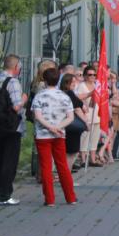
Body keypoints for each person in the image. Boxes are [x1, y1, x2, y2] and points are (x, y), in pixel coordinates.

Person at [0, 55, 28, 205]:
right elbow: (16, 106)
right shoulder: (13, 82)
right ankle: (5, 195)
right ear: (16, 68)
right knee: (9, 161)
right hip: (11, 127)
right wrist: (24, 100)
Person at [31, 68, 78, 206]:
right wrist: (58, 127)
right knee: (62, 165)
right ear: (58, 79)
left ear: (45, 80)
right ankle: (70, 197)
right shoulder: (64, 96)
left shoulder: (39, 96)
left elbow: (37, 116)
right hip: (59, 134)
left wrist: (50, 127)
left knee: (46, 167)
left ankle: (50, 199)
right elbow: (71, 117)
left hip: (42, 135)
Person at [60, 73, 87, 172]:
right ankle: (67, 174)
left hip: (65, 125)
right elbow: (76, 108)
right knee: (72, 153)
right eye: (73, 82)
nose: (75, 84)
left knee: (68, 152)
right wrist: (86, 123)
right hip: (72, 126)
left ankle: (65, 174)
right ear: (67, 82)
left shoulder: (62, 93)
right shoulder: (69, 93)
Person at [76, 65, 102, 167]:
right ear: (85, 76)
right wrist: (90, 94)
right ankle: (83, 159)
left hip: (96, 115)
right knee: (85, 138)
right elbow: (78, 97)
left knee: (95, 138)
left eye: (94, 75)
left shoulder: (97, 85)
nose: (92, 77)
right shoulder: (81, 86)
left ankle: (92, 158)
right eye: (90, 74)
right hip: (86, 115)